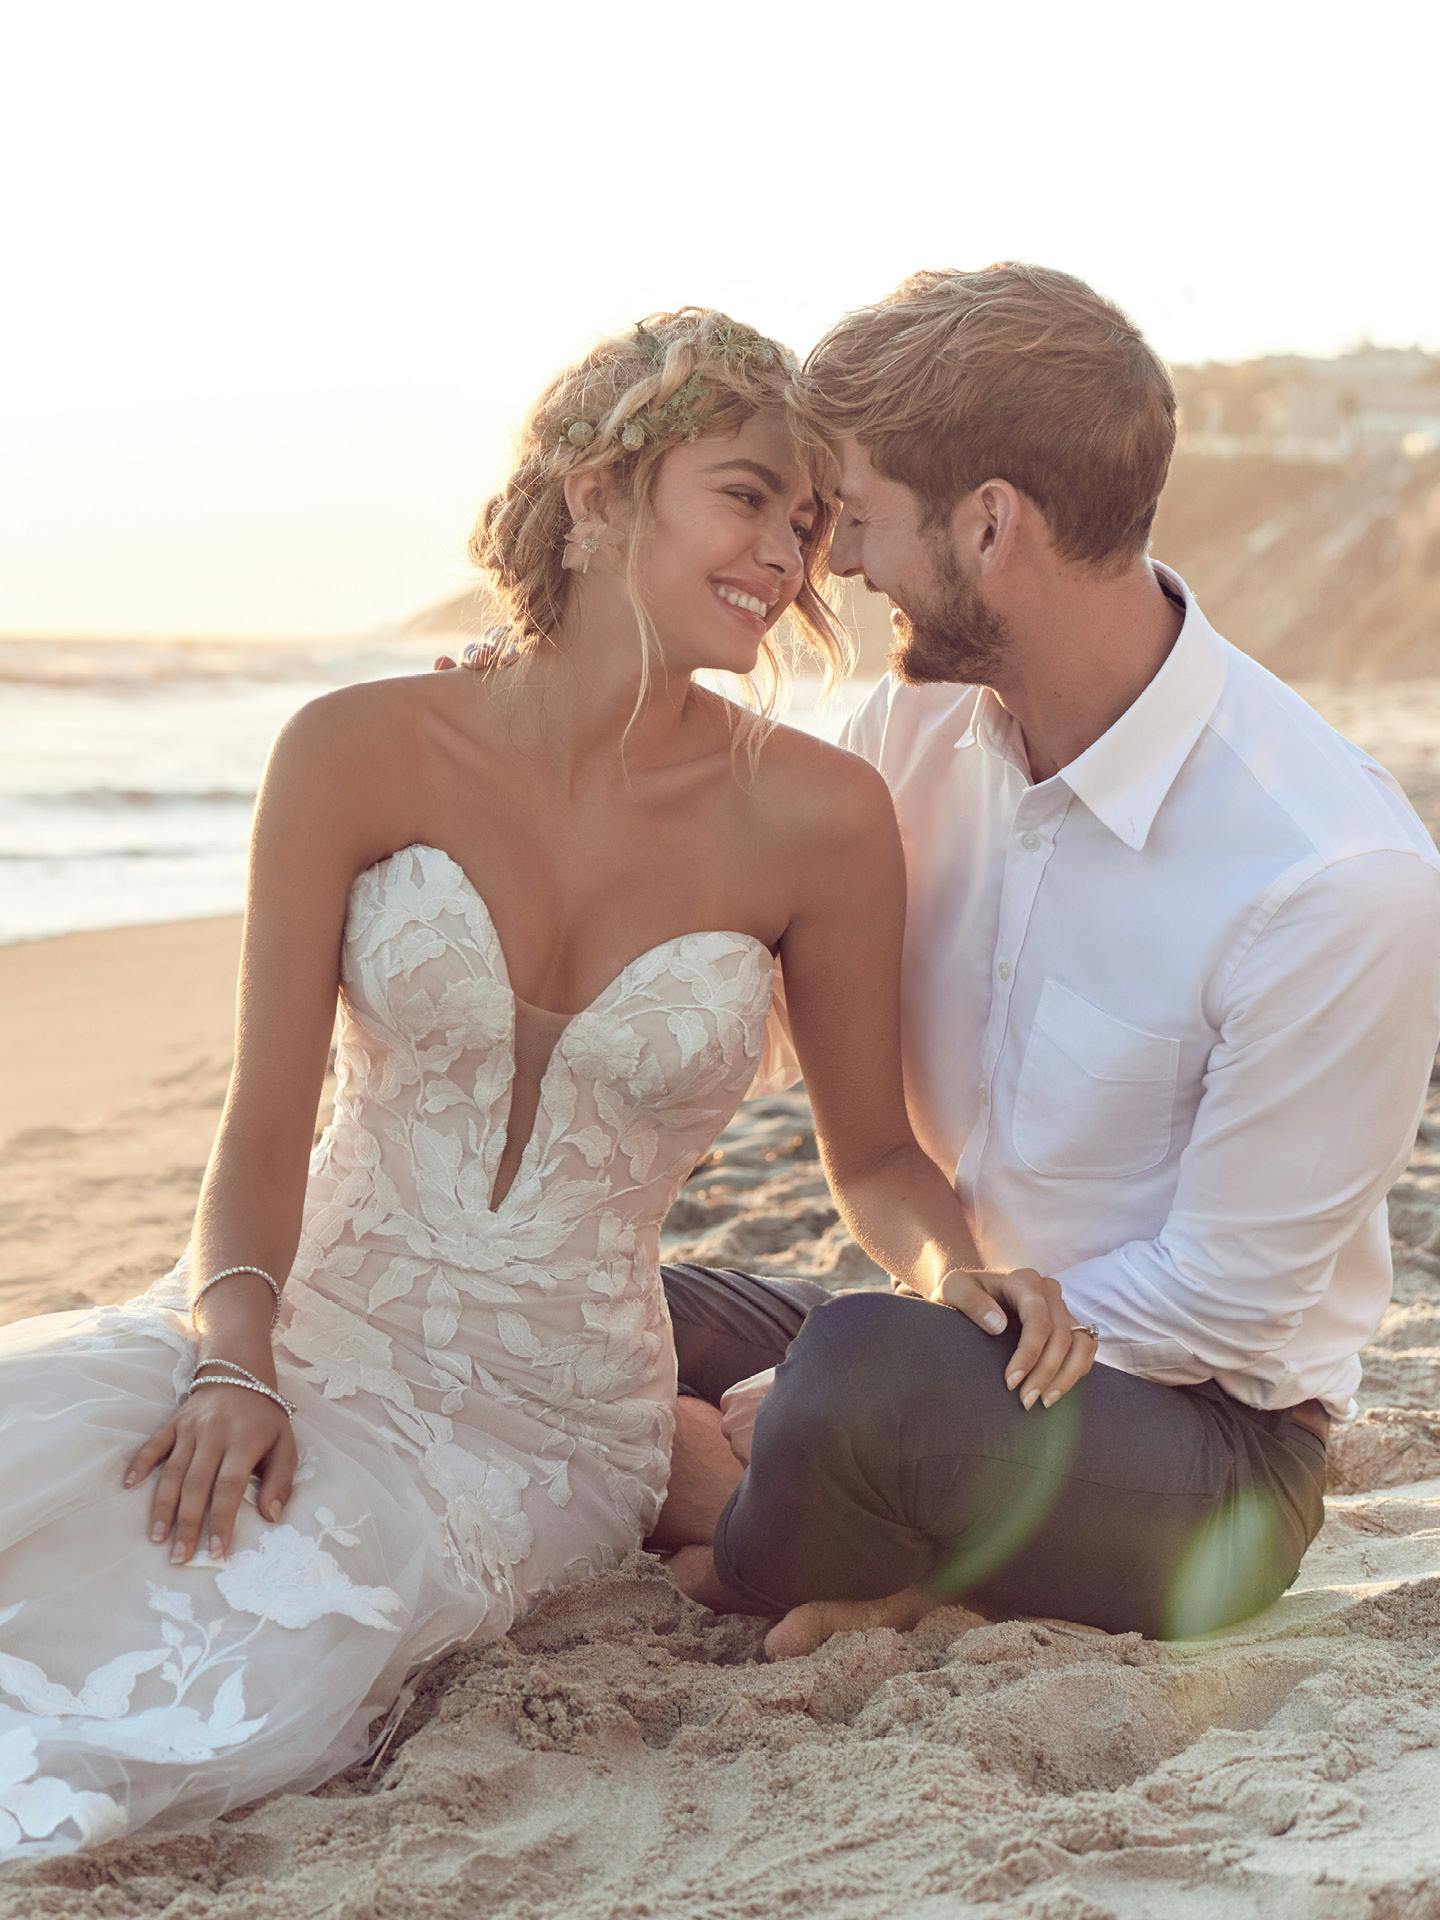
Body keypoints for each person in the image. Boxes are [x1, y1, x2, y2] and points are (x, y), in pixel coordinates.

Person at [0, 307, 1096, 1861]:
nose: (786, 558)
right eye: (745, 498)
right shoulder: (354, 748)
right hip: (298, 1321)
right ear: (595, 488)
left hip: (548, 1427)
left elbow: (873, 1159)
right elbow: (258, 1131)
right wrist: (231, 1361)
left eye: (806, 523)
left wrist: (957, 1265)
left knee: (190, 1652)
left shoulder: (824, 819)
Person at [643, 267, 1440, 1656]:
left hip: (1199, 1441)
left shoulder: (1330, 874)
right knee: (611, 1307)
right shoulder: (915, 737)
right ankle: (840, 1525)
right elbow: (754, 1005)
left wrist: (854, 1374)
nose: (835, 566)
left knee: (847, 1384)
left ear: (991, 523)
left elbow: (1224, 1301)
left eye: (863, 519)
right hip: (961, 1322)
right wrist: (544, 736)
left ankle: (740, 1521)